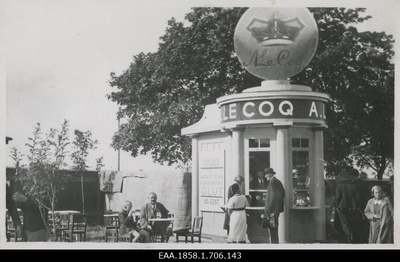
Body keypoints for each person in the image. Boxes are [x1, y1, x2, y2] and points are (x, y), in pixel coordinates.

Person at [334, 171, 357, 243]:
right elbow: (357, 197)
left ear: (341, 177)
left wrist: (336, 205)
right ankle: (351, 237)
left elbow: (337, 197)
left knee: (344, 223)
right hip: (352, 206)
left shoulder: (339, 185)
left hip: (341, 206)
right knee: (350, 222)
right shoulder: (353, 185)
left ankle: (347, 239)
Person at [264, 167, 285, 244]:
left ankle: (274, 245)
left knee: (272, 228)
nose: (265, 176)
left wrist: (268, 210)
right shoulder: (276, 181)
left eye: (266, 174)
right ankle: (275, 244)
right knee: (274, 228)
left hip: (272, 210)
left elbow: (272, 197)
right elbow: (282, 194)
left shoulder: (273, 182)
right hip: (275, 209)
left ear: (270, 174)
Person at [350, 169, 370, 243]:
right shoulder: (365, 183)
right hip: (364, 204)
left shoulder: (353, 183)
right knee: (364, 221)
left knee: (356, 222)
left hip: (356, 205)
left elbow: (353, 196)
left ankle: (356, 239)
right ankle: (364, 237)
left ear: (352, 175)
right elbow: (368, 195)